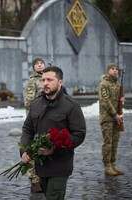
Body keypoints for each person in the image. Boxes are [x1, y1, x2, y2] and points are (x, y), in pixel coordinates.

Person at [20, 66, 86, 199]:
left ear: (60, 82)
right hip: (41, 167)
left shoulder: (71, 105)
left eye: (49, 80)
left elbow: (79, 134)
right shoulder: (36, 103)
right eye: (43, 80)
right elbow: (27, 129)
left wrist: (54, 149)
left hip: (60, 165)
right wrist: (25, 150)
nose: (45, 83)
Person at [97, 63, 125, 176]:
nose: (115, 71)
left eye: (116, 69)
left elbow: (118, 100)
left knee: (115, 141)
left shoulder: (117, 85)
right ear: (108, 70)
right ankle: (107, 166)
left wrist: (122, 99)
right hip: (107, 118)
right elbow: (105, 101)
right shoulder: (104, 84)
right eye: (112, 69)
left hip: (116, 117)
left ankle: (113, 164)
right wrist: (115, 114)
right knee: (108, 142)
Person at [23, 56, 45, 193]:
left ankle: (42, 178)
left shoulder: (46, 79)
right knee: (32, 150)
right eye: (37, 63)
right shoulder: (32, 82)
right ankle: (34, 180)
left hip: (46, 120)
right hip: (35, 119)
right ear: (33, 67)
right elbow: (29, 102)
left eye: (41, 63)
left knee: (43, 149)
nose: (40, 65)